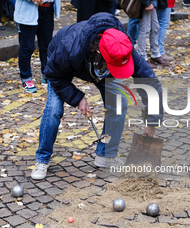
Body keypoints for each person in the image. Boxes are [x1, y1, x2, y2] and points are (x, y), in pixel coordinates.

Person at [31, 13, 163, 180]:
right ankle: (42, 158)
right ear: (99, 53)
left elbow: (150, 82)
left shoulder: (122, 46)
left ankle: (105, 155)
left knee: (119, 101)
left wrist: (152, 122)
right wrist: (77, 97)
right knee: (54, 110)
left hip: (99, 66)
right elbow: (53, 75)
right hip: (61, 67)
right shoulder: (69, 47)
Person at [14, 0, 60, 93]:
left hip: (48, 8)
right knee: (27, 47)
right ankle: (26, 78)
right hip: (28, 10)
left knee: (47, 46)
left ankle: (47, 75)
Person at [137, 0, 169, 68]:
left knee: (155, 27)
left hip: (152, 2)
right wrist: (146, 3)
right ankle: (142, 57)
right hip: (145, 3)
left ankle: (155, 55)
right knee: (145, 29)